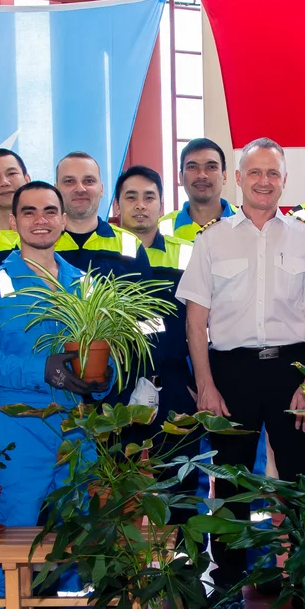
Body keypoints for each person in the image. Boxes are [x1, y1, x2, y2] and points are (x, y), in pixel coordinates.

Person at [177, 137, 305, 609]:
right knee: (229, 485)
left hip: (294, 371)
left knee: (304, 483)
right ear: (238, 179)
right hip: (231, 372)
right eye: (255, 173)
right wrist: (205, 384)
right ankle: (225, 585)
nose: (264, 181)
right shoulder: (211, 239)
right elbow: (194, 319)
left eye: (273, 173)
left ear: (285, 181)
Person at [0, 180, 112, 609]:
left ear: (65, 220)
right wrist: (39, 370)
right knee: (11, 524)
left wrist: (100, 383)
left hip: (76, 424)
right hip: (18, 421)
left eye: (51, 210)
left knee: (80, 520)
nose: (41, 219)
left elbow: (101, 356)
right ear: (13, 220)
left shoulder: (85, 285)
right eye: (30, 211)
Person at [115, 165, 196, 423]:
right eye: (131, 197)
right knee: (116, 462)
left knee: (179, 461)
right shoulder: (103, 256)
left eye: (149, 197)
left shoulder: (188, 254)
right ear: (117, 206)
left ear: (161, 207)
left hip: (176, 382)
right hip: (117, 383)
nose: (140, 205)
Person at [53, 151, 151, 280]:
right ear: (56, 190)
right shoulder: (35, 242)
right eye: (69, 181)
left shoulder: (131, 245)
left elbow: (145, 299)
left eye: (88, 181)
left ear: (102, 189)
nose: (80, 189)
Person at [159, 138, 236, 241]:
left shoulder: (246, 222)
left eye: (211, 167)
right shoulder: (160, 230)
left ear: (224, 176)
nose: (202, 175)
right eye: (192, 167)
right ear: (181, 178)